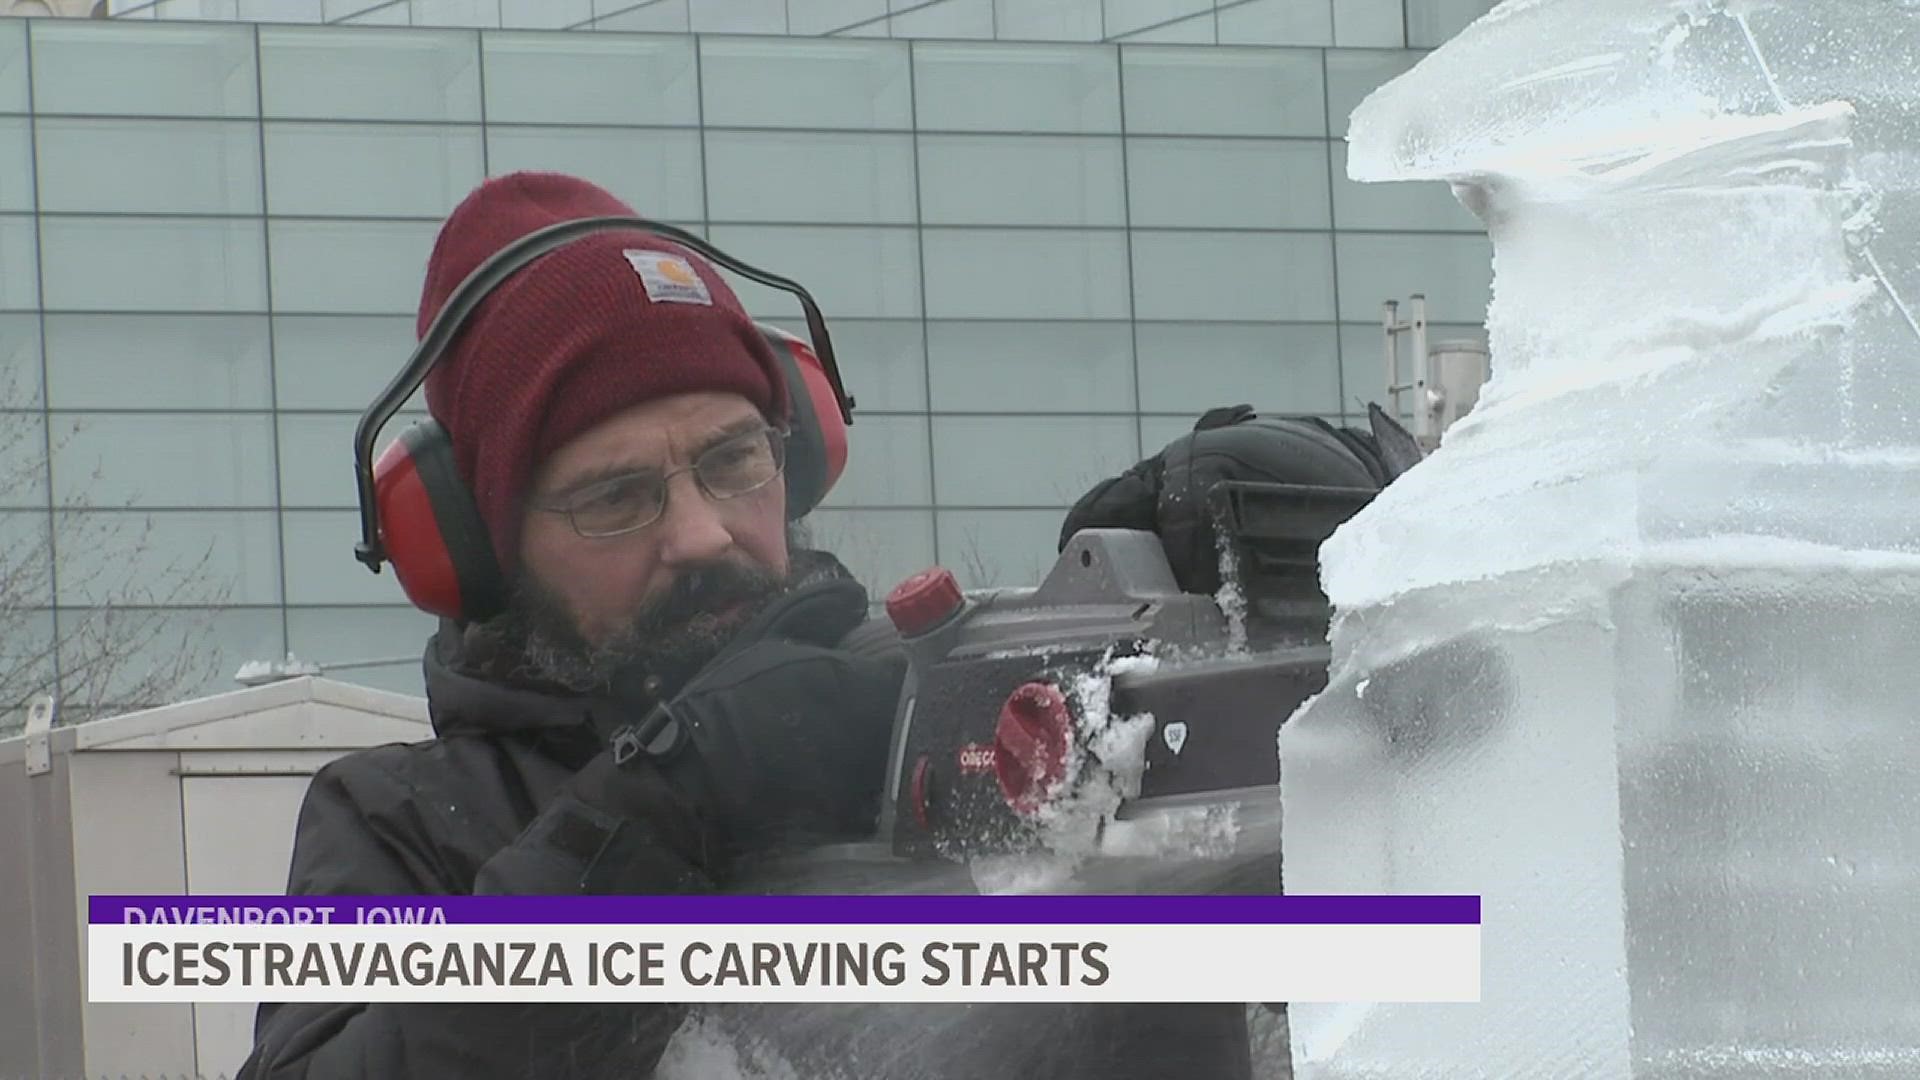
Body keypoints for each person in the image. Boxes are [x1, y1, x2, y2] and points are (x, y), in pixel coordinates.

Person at [236, 172, 1254, 1079]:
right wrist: (663, 807)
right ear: (487, 549)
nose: (700, 533)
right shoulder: (398, 821)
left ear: (796, 455)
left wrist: (1286, 589)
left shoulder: (923, 713)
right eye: (616, 496)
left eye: (731, 463)